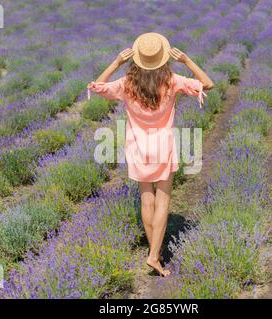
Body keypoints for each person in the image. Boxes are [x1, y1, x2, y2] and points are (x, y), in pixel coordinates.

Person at [88, 32, 213, 276]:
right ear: (163, 58)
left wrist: (116, 63)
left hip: (137, 148)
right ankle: (154, 255)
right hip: (162, 146)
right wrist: (187, 61)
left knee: (147, 200)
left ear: (137, 59)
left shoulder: (127, 83)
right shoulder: (172, 80)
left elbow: (97, 86)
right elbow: (207, 84)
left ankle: (153, 252)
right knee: (163, 201)